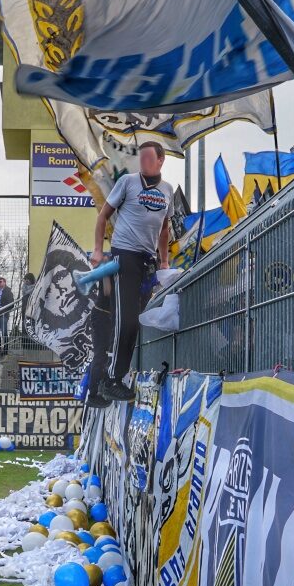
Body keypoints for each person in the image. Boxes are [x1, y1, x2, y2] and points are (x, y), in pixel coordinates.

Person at [90, 141, 172, 402]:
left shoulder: (167, 190)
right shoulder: (127, 182)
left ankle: (114, 377)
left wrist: (164, 261)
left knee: (134, 322)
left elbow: (164, 229)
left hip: (146, 261)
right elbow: (103, 216)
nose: (144, 162)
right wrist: (96, 249)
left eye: (150, 158)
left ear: (161, 160)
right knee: (124, 319)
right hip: (124, 255)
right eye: (142, 158)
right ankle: (110, 379)